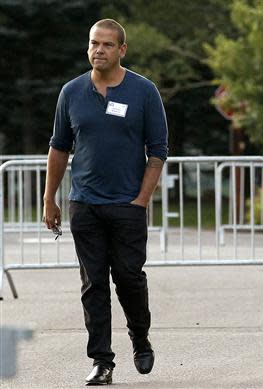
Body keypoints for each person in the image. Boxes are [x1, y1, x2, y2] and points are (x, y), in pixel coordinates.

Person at [42, 19, 168, 385]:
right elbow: (59, 146)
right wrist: (50, 199)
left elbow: (158, 150)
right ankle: (101, 360)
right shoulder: (71, 92)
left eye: (107, 45)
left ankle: (140, 337)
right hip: (85, 204)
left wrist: (141, 200)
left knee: (128, 278)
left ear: (122, 50)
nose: (99, 50)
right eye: (94, 43)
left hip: (128, 205)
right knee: (92, 284)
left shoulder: (144, 91)